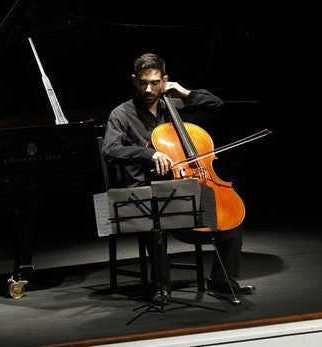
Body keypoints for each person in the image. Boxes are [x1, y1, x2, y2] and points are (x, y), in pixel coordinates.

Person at [101, 52, 255, 304]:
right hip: (149, 187)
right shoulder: (121, 114)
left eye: (154, 82)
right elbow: (110, 150)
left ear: (165, 80)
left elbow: (215, 105)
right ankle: (162, 287)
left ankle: (221, 278)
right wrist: (149, 153)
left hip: (188, 184)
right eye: (142, 82)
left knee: (232, 217)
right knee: (154, 220)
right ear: (133, 80)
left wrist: (185, 93)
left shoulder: (175, 106)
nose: (148, 88)